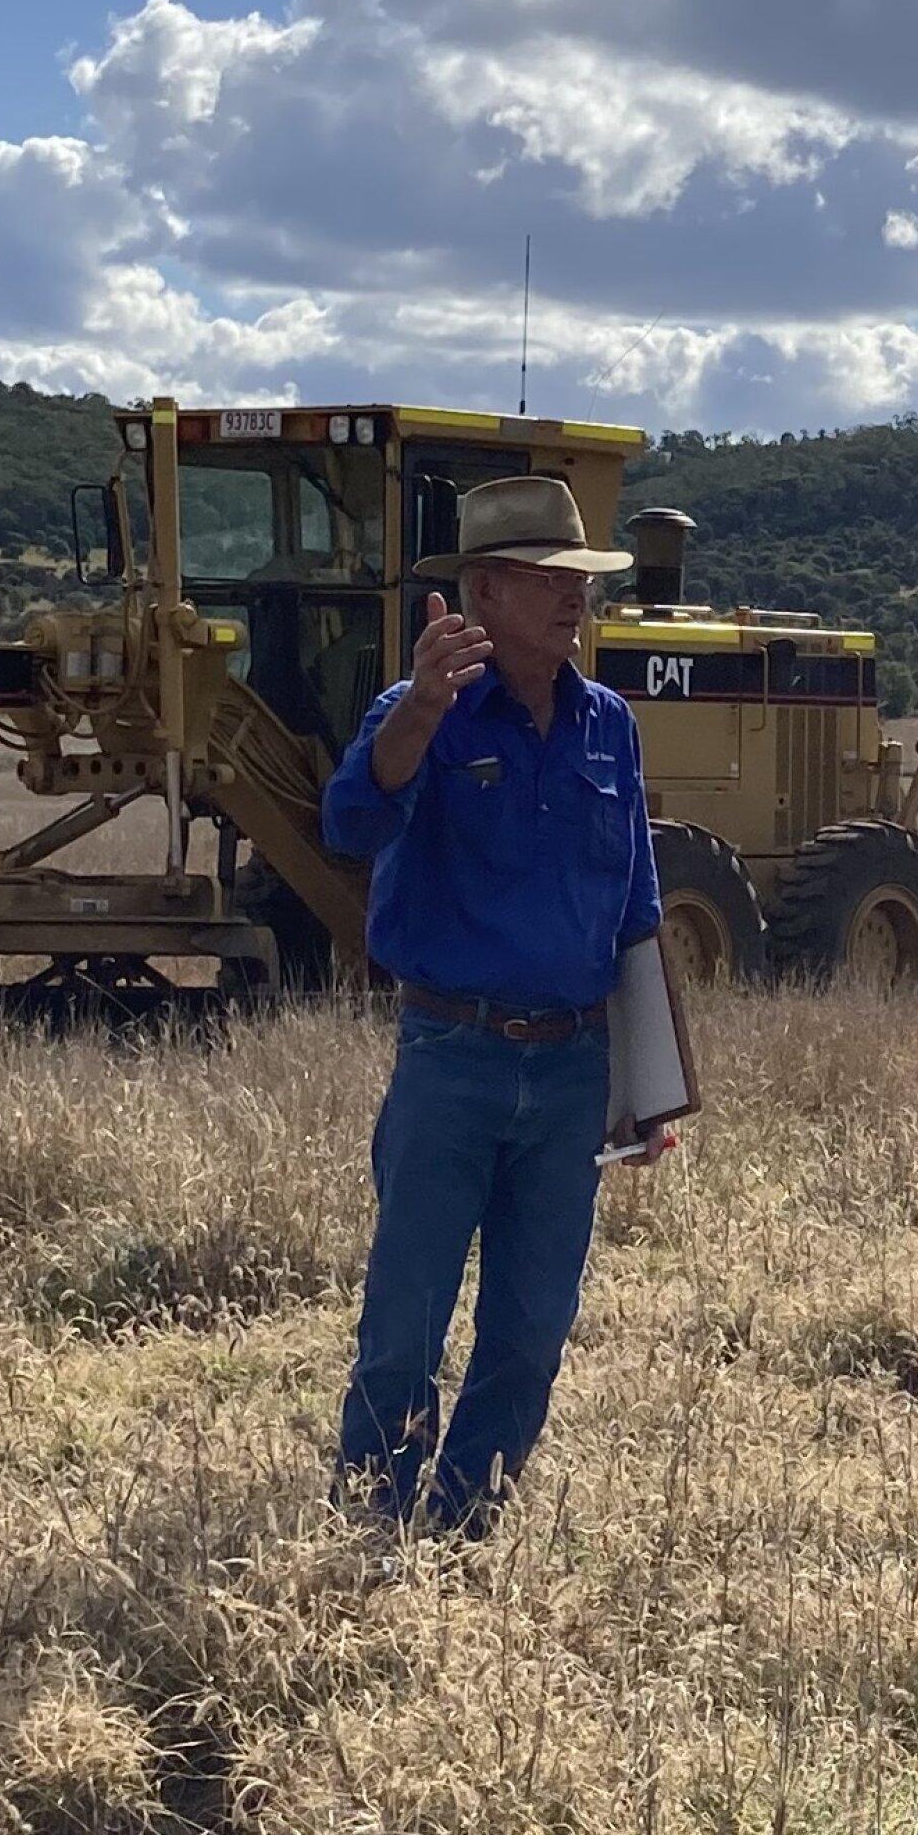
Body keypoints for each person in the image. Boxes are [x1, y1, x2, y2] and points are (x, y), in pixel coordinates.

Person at [322, 474, 671, 1537]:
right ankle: (370, 1527)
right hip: (452, 1061)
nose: (574, 598)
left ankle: (464, 1521)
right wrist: (422, 710)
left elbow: (636, 912)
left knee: (530, 1330)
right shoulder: (417, 711)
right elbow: (349, 824)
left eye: (580, 579)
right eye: (547, 579)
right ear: (482, 591)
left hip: (570, 1076)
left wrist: (645, 1084)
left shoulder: (607, 725)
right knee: (405, 1325)